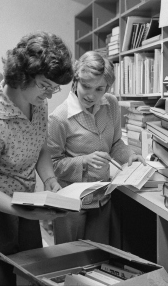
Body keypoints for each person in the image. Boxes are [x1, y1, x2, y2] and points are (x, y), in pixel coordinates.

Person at [0, 31, 73, 286]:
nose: (49, 95)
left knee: (31, 273)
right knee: (0, 278)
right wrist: (26, 212)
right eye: (45, 86)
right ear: (23, 74)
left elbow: (41, 147)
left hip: (25, 200)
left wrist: (49, 180)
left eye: (53, 88)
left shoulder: (38, 103)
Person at [48, 51, 145, 245]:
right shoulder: (59, 118)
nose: (92, 95)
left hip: (102, 198)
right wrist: (84, 161)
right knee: (69, 259)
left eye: (100, 88)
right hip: (70, 203)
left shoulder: (111, 104)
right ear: (75, 81)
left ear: (108, 87)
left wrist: (130, 156)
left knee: (98, 258)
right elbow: (52, 164)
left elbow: (116, 142)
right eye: (86, 86)